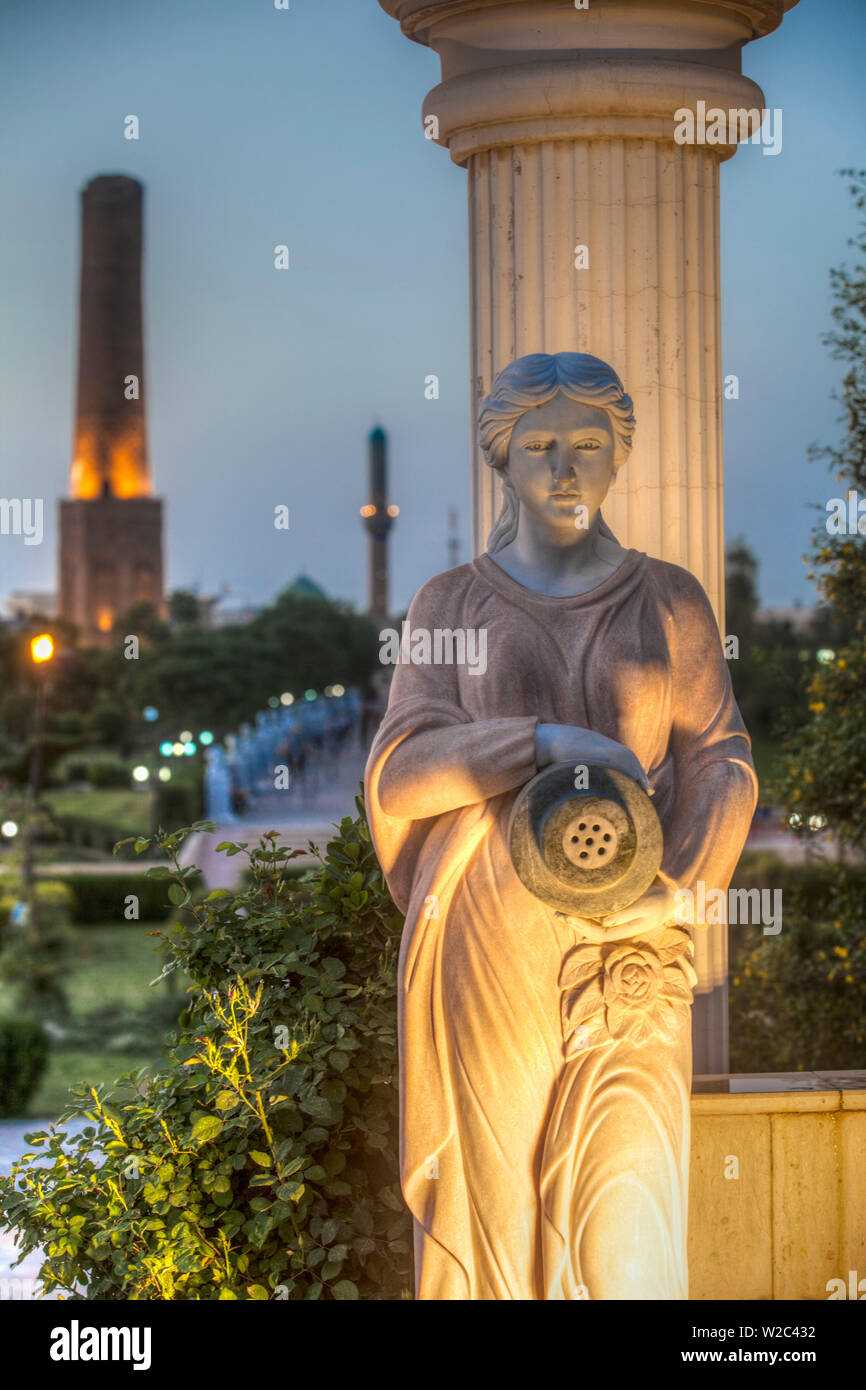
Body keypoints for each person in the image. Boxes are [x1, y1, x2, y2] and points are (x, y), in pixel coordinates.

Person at [364, 352, 757, 1301]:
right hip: (490, 932)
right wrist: (535, 740)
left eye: (588, 444)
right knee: (495, 1207)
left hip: (634, 930)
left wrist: (681, 886)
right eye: (540, 446)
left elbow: (722, 760)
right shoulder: (449, 604)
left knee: (628, 1214)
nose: (565, 468)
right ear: (502, 458)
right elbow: (398, 774)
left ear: (619, 453)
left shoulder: (668, 599)